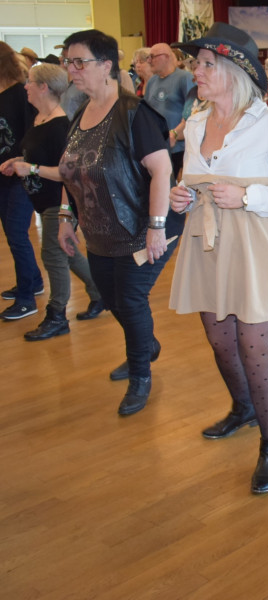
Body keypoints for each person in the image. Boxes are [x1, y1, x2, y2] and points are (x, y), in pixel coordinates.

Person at [169, 23, 268, 495]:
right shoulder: (195, 123)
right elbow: (192, 180)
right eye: (196, 64)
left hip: (255, 243)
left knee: (255, 347)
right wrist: (181, 196)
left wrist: (248, 197)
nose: (197, 71)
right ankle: (243, 407)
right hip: (206, 240)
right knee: (221, 343)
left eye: (206, 64)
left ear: (234, 71)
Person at [56, 29, 182, 416]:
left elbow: (162, 171)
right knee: (110, 299)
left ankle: (140, 374)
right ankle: (146, 345)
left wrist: (156, 226)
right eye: (68, 62)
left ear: (106, 65)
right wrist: (65, 218)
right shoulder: (81, 114)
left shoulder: (134, 113)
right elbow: (72, 171)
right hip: (101, 232)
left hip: (143, 229)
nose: (72, 70)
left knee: (129, 299)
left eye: (80, 62)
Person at [0, 62, 103, 340]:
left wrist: (31, 169)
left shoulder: (60, 127)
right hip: (44, 201)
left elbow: (67, 172)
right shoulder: (40, 119)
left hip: (60, 201)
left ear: (43, 87)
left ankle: (57, 316)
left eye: (30, 82)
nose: (25, 87)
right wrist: (18, 160)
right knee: (66, 252)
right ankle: (100, 292)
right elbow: (38, 155)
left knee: (52, 255)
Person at [0, 41, 41, 321]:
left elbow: (32, 133)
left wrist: (20, 161)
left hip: (20, 176)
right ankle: (33, 281)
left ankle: (27, 299)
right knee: (12, 233)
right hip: (3, 176)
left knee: (16, 234)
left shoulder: (19, 93)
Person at [144, 42, 196, 178]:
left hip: (177, 148)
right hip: (155, 146)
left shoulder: (184, 78)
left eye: (152, 56)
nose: (149, 61)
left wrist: (174, 134)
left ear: (166, 57)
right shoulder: (152, 81)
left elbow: (193, 113)